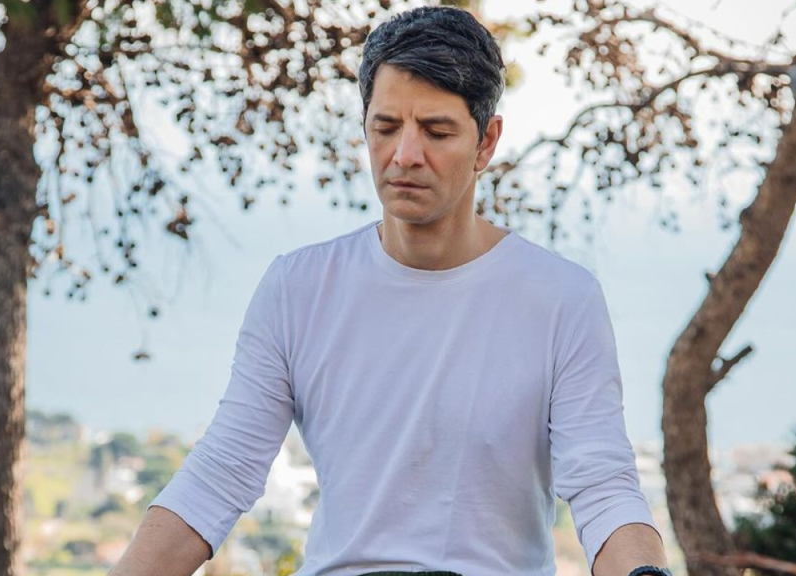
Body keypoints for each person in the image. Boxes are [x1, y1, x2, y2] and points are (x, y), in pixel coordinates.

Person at [110, 6, 670, 576]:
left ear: (486, 142)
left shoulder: (562, 299)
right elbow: (221, 474)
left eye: (436, 131)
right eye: (385, 128)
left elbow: (602, 485)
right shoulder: (298, 289)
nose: (405, 155)